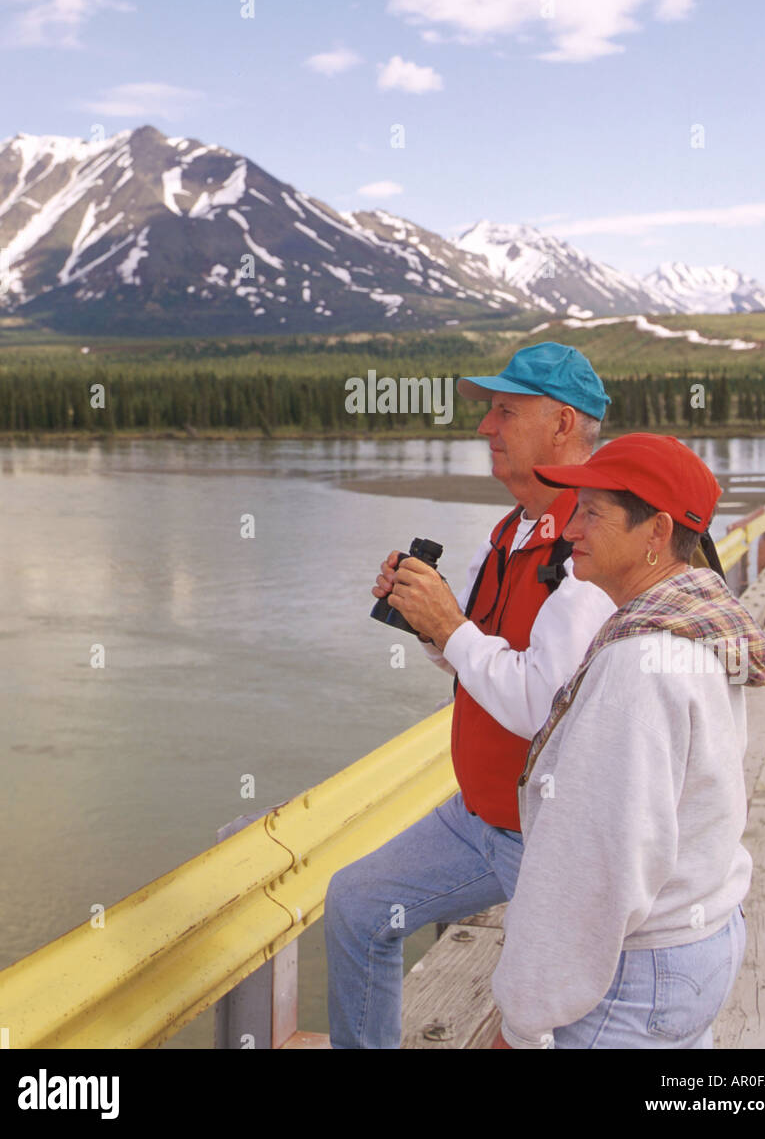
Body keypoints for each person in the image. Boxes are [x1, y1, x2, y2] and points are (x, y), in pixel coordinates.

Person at [325, 342, 617, 1049]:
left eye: (505, 411)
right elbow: (481, 662)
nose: (487, 427)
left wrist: (450, 626)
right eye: (489, 411)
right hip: (482, 817)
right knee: (358, 905)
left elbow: (541, 704)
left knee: (555, 1024)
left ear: (563, 425)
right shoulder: (508, 533)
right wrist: (431, 625)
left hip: (554, 838)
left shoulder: (592, 544)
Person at [489, 433, 765, 1050]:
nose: (570, 530)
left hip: (638, 979)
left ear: (656, 532)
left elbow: (596, 864)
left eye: (592, 513)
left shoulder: (638, 665)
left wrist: (521, 1020)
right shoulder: (701, 621)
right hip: (705, 939)